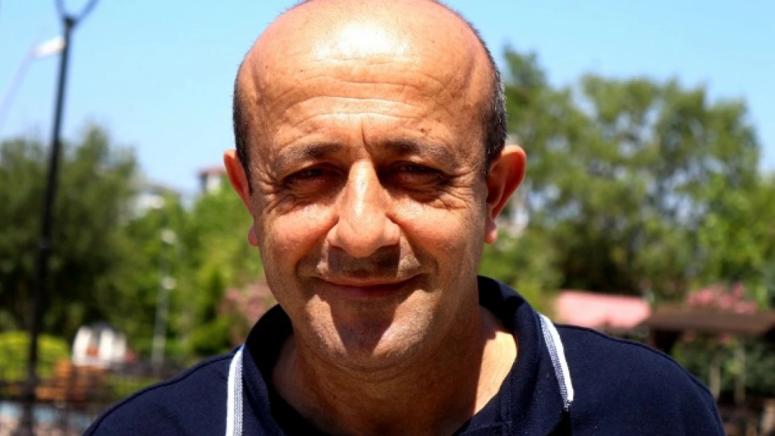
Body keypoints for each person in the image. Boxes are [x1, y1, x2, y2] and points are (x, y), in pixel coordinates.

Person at [86, 1, 724, 434]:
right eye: (309, 175)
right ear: (250, 197)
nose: (363, 234)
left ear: (495, 194)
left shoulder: (651, 414)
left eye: (416, 172)